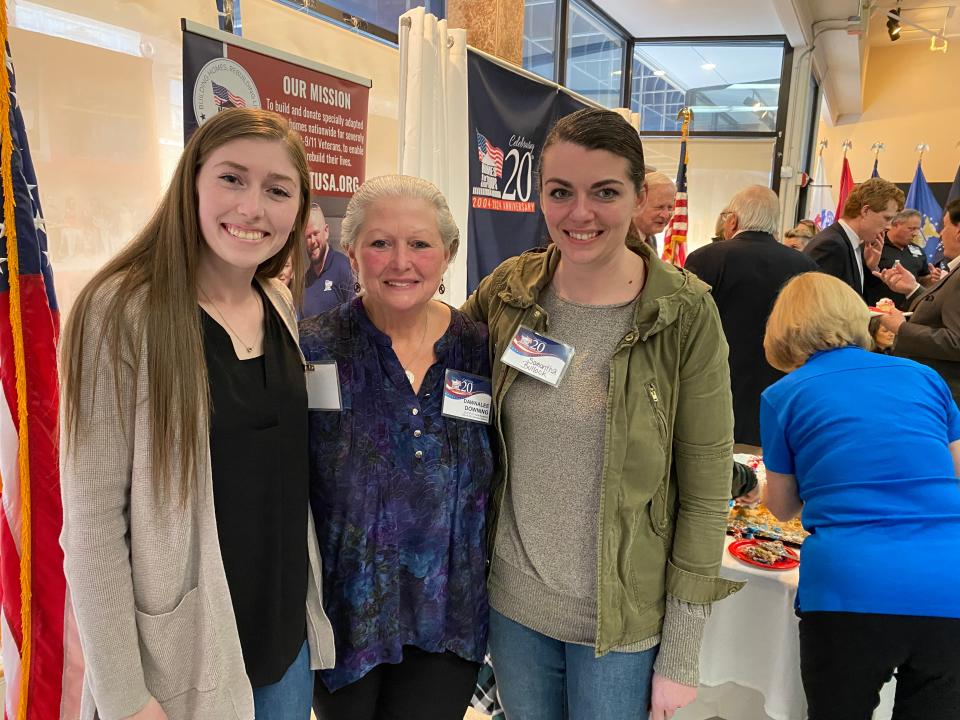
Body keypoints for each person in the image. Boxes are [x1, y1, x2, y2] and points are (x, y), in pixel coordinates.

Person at [462, 108, 742, 720]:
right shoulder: (511, 291)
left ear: (639, 197)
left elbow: (703, 490)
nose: (579, 214)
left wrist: (681, 653)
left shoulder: (683, 314)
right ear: (540, 196)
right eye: (560, 192)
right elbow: (437, 359)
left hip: (622, 624)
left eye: (605, 192)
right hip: (514, 608)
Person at [59, 108, 335, 720]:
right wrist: (127, 695)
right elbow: (91, 528)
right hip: (183, 665)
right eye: (232, 179)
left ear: (299, 210)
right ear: (191, 183)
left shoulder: (277, 303)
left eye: (278, 190)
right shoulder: (121, 311)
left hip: (282, 645)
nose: (253, 208)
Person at [303, 175, 493, 720]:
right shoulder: (311, 347)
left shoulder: (480, 348)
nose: (400, 261)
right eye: (380, 243)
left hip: (447, 615)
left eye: (420, 243)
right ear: (351, 252)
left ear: (448, 253)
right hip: (345, 617)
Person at [760, 271, 960, 720]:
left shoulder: (783, 394)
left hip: (849, 585)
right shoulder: (924, 376)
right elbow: (956, 471)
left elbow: (782, 506)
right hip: (950, 577)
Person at [685, 185, 816, 448]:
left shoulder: (705, 259)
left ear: (732, 220)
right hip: (781, 390)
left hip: (717, 388)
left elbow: (685, 326)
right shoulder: (805, 266)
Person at [874, 198, 960, 406]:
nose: (940, 234)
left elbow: (956, 342)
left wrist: (901, 328)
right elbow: (944, 307)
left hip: (943, 394)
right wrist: (913, 290)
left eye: (944, 227)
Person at [803, 177, 904, 299]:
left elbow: (855, 296)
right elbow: (819, 304)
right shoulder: (831, 246)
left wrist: (870, 267)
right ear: (865, 211)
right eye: (887, 218)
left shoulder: (849, 243)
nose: (888, 226)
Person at [864, 209, 939, 307]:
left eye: (918, 229)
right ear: (895, 224)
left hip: (910, 312)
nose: (916, 233)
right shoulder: (874, 246)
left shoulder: (918, 250)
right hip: (878, 310)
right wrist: (871, 267)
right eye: (911, 228)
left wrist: (931, 279)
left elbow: (920, 279)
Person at [301, 203, 355, 318]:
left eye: (316, 233)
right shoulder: (304, 282)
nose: (312, 241)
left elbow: (358, 319)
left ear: (326, 231)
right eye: (308, 236)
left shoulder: (344, 268)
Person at [634, 170, 676, 249]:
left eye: (670, 207)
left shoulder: (651, 239)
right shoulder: (619, 242)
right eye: (659, 207)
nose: (666, 215)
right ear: (637, 203)